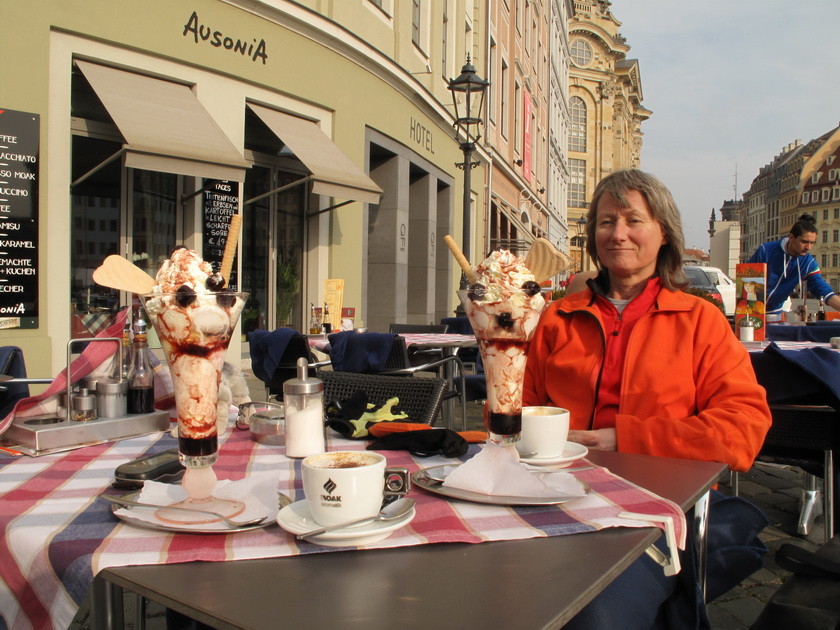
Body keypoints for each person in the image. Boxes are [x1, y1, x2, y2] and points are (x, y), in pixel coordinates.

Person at [524, 169, 772, 629]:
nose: (617, 233)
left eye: (633, 220)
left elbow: (743, 431)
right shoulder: (557, 319)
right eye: (605, 221)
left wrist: (623, 438)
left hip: (653, 512)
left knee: (592, 614)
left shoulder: (701, 321)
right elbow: (519, 415)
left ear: (664, 234)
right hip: (551, 500)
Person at [748, 213, 840, 320]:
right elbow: (746, 280)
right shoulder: (766, 251)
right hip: (751, 312)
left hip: (775, 314)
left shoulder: (808, 263)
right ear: (791, 237)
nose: (808, 247)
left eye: (812, 243)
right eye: (804, 242)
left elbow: (823, 290)